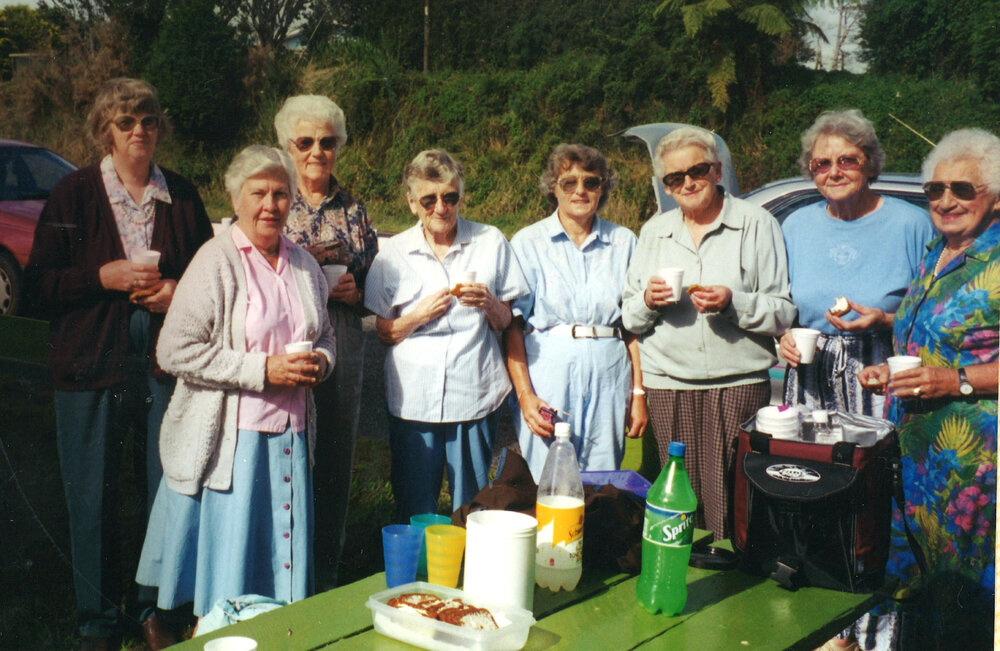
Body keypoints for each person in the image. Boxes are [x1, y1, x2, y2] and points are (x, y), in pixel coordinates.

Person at [24, 78, 213, 651]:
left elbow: (213, 279)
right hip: (90, 360)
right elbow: (37, 288)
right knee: (92, 493)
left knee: (168, 487)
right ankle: (98, 621)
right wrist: (100, 277)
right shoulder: (75, 193)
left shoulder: (179, 195)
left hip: (164, 362)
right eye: (126, 122)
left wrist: (178, 289)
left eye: (148, 121)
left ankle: (158, 609)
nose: (139, 132)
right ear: (106, 129)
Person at [135, 146, 336, 622]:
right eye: (258, 193)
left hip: (290, 436)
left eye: (281, 194)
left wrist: (322, 362)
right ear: (236, 197)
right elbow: (174, 349)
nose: (270, 204)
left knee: (278, 568)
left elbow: (325, 334)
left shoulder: (303, 263)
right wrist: (262, 370)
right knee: (232, 570)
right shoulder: (216, 259)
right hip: (236, 442)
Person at [857, 128, 999, 650]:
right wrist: (888, 329)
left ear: (996, 197)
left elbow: (959, 361)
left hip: (972, 464)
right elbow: (946, 329)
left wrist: (954, 379)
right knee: (915, 584)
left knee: (962, 599)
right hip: (915, 453)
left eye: (963, 189)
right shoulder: (938, 253)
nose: (945, 201)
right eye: (934, 190)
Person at [621, 126, 795, 540]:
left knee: (731, 501)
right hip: (668, 384)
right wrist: (647, 299)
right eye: (674, 178)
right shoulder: (654, 232)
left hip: (736, 383)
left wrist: (733, 302)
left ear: (717, 170)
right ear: (665, 186)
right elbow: (628, 317)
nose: (687, 183)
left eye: (696, 170)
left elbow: (784, 312)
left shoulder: (756, 224)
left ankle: (732, 585)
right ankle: (685, 578)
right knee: (678, 500)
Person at [364, 149, 528, 521]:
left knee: (471, 506)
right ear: (411, 203)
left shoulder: (490, 242)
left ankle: (469, 571)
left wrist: (490, 302)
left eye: (450, 197)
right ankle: (420, 572)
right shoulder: (393, 253)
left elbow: (509, 322)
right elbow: (381, 331)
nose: (441, 208)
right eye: (429, 199)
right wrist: (416, 317)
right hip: (413, 401)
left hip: (474, 393)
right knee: (414, 504)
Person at [275, 94, 377, 588]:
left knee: (335, 458)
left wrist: (357, 289)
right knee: (285, 453)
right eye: (306, 141)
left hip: (343, 336)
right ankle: (282, 575)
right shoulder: (274, 199)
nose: (318, 151)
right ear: (288, 146)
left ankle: (325, 575)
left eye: (328, 142)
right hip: (287, 339)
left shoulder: (354, 208)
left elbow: (373, 284)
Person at [504, 144, 647, 481]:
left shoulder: (625, 242)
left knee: (601, 480)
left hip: (609, 377)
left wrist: (638, 394)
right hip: (549, 374)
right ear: (553, 188)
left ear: (603, 188)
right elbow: (512, 325)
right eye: (569, 182)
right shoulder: (528, 242)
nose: (580, 190)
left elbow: (633, 326)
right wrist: (525, 396)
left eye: (591, 182)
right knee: (547, 479)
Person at [778, 109, 935, 416]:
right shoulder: (795, 226)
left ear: (869, 164)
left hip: (884, 372)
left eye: (847, 160)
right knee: (815, 461)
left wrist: (885, 320)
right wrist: (783, 336)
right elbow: (782, 305)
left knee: (880, 461)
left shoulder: (913, 224)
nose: (834, 172)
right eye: (822, 163)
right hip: (810, 376)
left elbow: (935, 314)